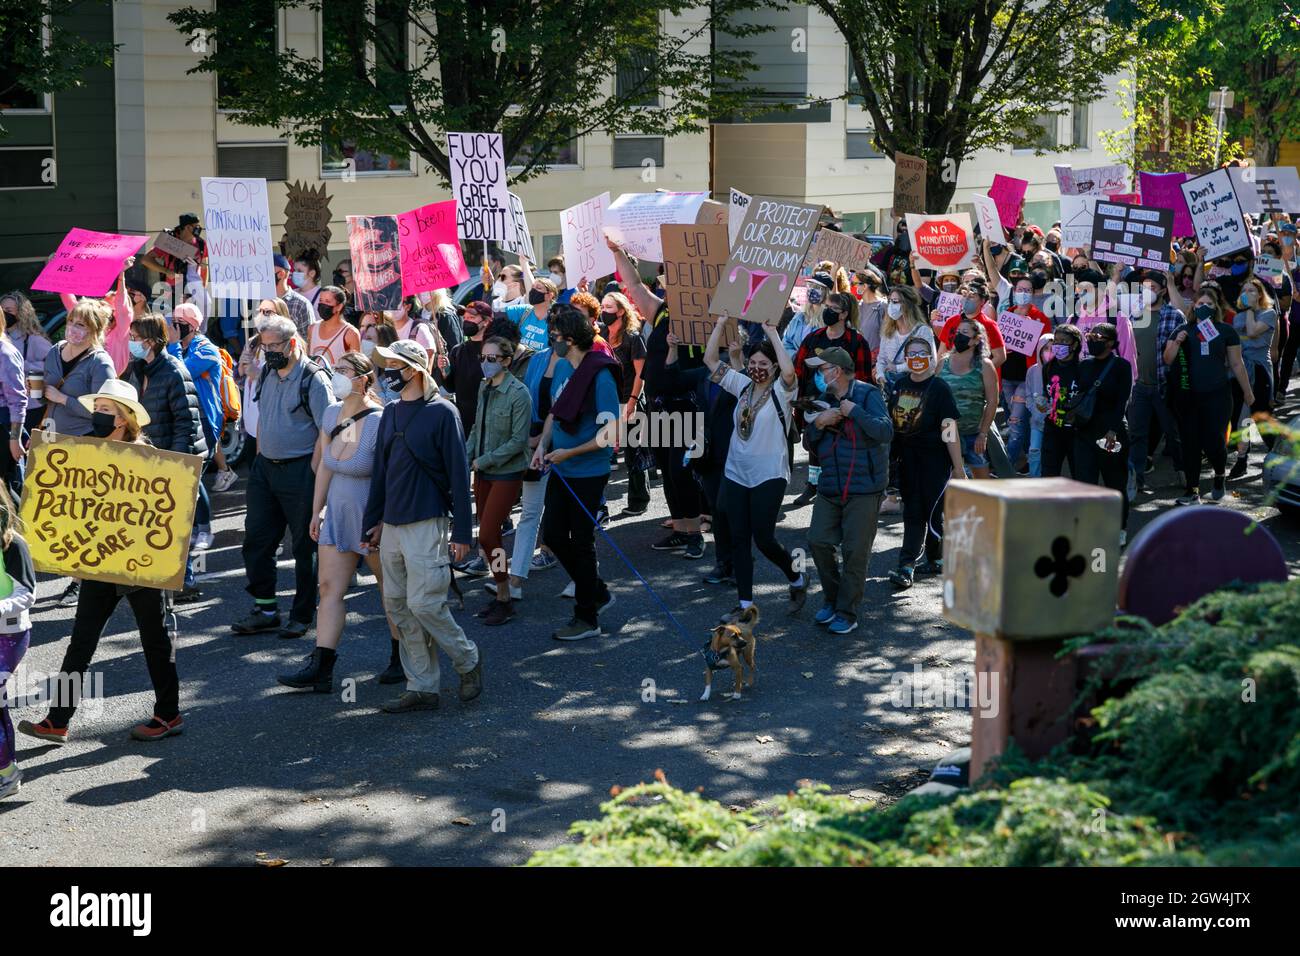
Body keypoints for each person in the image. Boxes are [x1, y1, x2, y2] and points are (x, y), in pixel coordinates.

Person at [18, 381, 185, 744]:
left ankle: (168, 714)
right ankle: (57, 720)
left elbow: (161, 516)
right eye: (99, 408)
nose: (98, 415)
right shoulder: (89, 453)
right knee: (81, 640)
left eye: (106, 410)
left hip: (139, 565)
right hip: (99, 561)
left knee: (154, 639)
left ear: (124, 420)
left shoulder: (147, 457)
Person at [363, 339, 482, 712]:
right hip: (394, 527)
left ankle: (468, 661)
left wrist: (463, 533)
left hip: (428, 523)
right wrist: (375, 522)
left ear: (414, 370)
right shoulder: (391, 413)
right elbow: (381, 473)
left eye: (393, 366)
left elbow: (460, 478)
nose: (386, 374)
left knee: (425, 604)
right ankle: (422, 685)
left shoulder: (444, 413)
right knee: (397, 606)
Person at [280, 351, 403, 692]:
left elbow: (390, 476)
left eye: (344, 370)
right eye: (335, 369)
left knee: (389, 591)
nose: (336, 375)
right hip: (337, 513)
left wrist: (380, 520)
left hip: (371, 516)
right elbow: (324, 467)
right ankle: (321, 667)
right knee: (328, 588)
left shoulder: (381, 419)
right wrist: (316, 511)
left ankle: (402, 658)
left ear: (364, 378)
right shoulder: (332, 413)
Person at [233, 315, 335, 638]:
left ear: (291, 343)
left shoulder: (313, 379)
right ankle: (265, 609)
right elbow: (263, 416)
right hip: (266, 469)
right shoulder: (267, 372)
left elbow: (326, 430)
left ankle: (303, 615)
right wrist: (262, 457)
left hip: (301, 470)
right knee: (257, 540)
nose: (269, 352)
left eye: (274, 345)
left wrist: (315, 473)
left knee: (305, 546)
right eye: (265, 346)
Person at [703, 312, 807, 622]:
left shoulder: (783, 390)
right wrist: (720, 324)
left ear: (773, 366)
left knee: (764, 538)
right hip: (736, 472)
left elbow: (790, 372)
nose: (757, 368)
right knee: (738, 539)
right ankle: (745, 605)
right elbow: (710, 360)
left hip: (769, 474)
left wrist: (772, 332)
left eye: (764, 364)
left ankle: (797, 577)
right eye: (753, 363)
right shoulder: (742, 386)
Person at [606, 237, 706, 559]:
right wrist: (618, 251)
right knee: (666, 469)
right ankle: (680, 528)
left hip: (685, 407)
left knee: (682, 470)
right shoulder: (661, 312)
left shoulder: (701, 319)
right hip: (659, 406)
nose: (669, 289)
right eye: (668, 284)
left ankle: (695, 535)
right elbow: (633, 284)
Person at [529, 305, 620, 640]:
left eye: (554, 337)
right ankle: (597, 590)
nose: (551, 343)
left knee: (582, 541)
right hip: (561, 466)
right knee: (553, 536)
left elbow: (610, 433)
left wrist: (571, 451)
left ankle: (587, 617)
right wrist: (543, 446)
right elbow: (555, 411)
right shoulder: (566, 365)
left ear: (570, 338)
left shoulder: (601, 374)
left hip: (588, 470)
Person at [796, 345, 892, 631]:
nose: (817, 375)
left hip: (864, 489)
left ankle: (846, 613)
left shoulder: (867, 394)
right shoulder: (822, 400)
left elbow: (885, 431)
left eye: (821, 369)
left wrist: (856, 412)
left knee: (854, 551)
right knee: (818, 541)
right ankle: (834, 599)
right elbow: (809, 445)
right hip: (829, 487)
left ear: (836, 371)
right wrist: (819, 425)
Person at [42, 301, 117, 607]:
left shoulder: (100, 362)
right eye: (72, 323)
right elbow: (42, 391)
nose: (73, 330)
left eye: (82, 326)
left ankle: (81, 582)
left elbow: (105, 411)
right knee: (61, 515)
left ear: (95, 330)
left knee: (83, 516)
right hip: (52, 443)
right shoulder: (54, 350)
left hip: (85, 445)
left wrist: (62, 398)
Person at [886, 337, 963, 590]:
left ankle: (909, 564)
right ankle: (928, 560)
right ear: (905, 358)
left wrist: (959, 468)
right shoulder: (899, 385)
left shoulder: (939, 388)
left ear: (930, 357)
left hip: (935, 461)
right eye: (911, 353)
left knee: (930, 512)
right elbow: (891, 427)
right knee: (914, 511)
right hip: (906, 460)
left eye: (922, 353)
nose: (916, 357)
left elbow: (949, 429)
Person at [1165, 292, 1255, 505]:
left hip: (1217, 396)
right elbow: (1168, 359)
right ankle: (1192, 490)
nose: (1204, 307)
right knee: (1191, 443)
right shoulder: (1182, 330)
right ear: (1193, 307)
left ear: (1216, 308)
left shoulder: (1226, 331)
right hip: (1188, 398)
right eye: (1200, 303)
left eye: (1209, 304)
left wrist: (1248, 392)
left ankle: (1219, 475)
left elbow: (1236, 363)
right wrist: (1177, 342)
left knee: (1214, 442)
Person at [467, 336, 532, 625]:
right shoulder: (484, 388)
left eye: (492, 358)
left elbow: (519, 441)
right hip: (482, 471)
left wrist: (484, 460)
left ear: (506, 361)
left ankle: (505, 596)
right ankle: (501, 592)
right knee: (488, 537)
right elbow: (475, 430)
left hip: (506, 471)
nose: (486, 363)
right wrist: (465, 456)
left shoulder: (519, 393)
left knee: (488, 533)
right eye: (483, 357)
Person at [166, 303, 223, 597]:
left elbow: (181, 373)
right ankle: (201, 526)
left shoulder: (205, 350)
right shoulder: (177, 345)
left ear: (193, 324)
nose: (174, 326)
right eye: (172, 321)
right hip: (185, 419)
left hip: (205, 422)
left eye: (179, 322)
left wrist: (174, 346)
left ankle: (203, 526)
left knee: (194, 478)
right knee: (192, 479)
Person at [1125, 270, 1185, 494]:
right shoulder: (1136, 314)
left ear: (1162, 290)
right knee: (1137, 434)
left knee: (1173, 433)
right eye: (1144, 286)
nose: (1147, 290)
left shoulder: (1174, 315)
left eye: (1152, 287)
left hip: (1164, 386)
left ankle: (1184, 472)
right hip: (1139, 386)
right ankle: (1135, 478)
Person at [1072, 323, 1133, 541]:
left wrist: (1112, 430)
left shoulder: (1121, 366)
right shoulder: (1084, 365)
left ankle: (1120, 528)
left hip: (1111, 433)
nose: (1092, 340)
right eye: (1090, 335)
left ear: (1110, 342)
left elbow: (1122, 403)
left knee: (1114, 482)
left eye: (1098, 336)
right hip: (1084, 432)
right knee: (1085, 482)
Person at [602, 291, 649, 515]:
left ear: (621, 311)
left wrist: (632, 400)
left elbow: (641, 373)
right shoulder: (600, 334)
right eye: (602, 306)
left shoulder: (632, 337)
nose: (604, 311)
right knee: (603, 451)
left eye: (609, 307)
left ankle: (639, 500)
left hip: (629, 400)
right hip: (607, 402)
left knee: (633, 453)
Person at [0, 495, 34, 799]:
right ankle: (7, 771)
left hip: (9, 638)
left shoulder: (14, 545)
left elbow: (27, 595)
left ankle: (8, 775)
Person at [1228, 276, 1278, 478]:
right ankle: (1241, 460)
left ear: (1260, 294)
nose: (1246, 294)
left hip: (1259, 371)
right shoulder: (1238, 317)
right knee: (1242, 417)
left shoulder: (1269, 313)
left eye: (1251, 291)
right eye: (1244, 291)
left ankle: (1277, 451)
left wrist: (1249, 310)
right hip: (1240, 370)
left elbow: (1252, 331)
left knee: (1260, 416)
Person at [937, 316, 998, 479]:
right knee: (949, 481)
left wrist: (983, 434)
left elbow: (992, 402)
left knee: (982, 484)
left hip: (972, 433)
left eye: (964, 332)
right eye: (957, 332)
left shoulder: (985, 365)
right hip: (947, 432)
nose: (959, 336)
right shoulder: (943, 362)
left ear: (977, 340)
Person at [1, 290, 53, 433]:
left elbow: (53, 367)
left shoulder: (33, 340)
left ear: (21, 313)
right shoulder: (2, 338)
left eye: (8, 310)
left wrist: (23, 365)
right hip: (6, 406)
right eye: (1, 310)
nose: (4, 313)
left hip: (30, 407)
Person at [1039, 323, 1084, 477]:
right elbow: (1047, 394)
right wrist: (1042, 403)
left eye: (1064, 341)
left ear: (1075, 344)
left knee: (1079, 474)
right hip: (1053, 428)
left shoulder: (1084, 368)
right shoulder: (1048, 368)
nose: (1058, 345)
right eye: (1056, 341)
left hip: (1077, 431)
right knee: (1049, 474)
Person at [447, 301, 492, 439]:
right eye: (465, 318)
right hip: (464, 421)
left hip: (489, 419)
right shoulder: (457, 351)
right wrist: (444, 371)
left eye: (472, 318)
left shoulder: (494, 349)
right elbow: (450, 387)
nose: (466, 321)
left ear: (486, 322)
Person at [0, 323, 27, 504]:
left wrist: (15, 439)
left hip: (3, 428)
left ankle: (15, 528)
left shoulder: (5, 353)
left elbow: (18, 400)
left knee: (5, 489)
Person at [309, 285, 362, 366]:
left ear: (339, 307)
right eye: (320, 300)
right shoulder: (312, 328)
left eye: (327, 301)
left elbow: (355, 366)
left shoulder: (350, 333)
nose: (322, 305)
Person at [273, 253, 316, 339]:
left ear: (281, 274)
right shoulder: (260, 302)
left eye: (267, 270)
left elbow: (309, 339)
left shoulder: (301, 304)